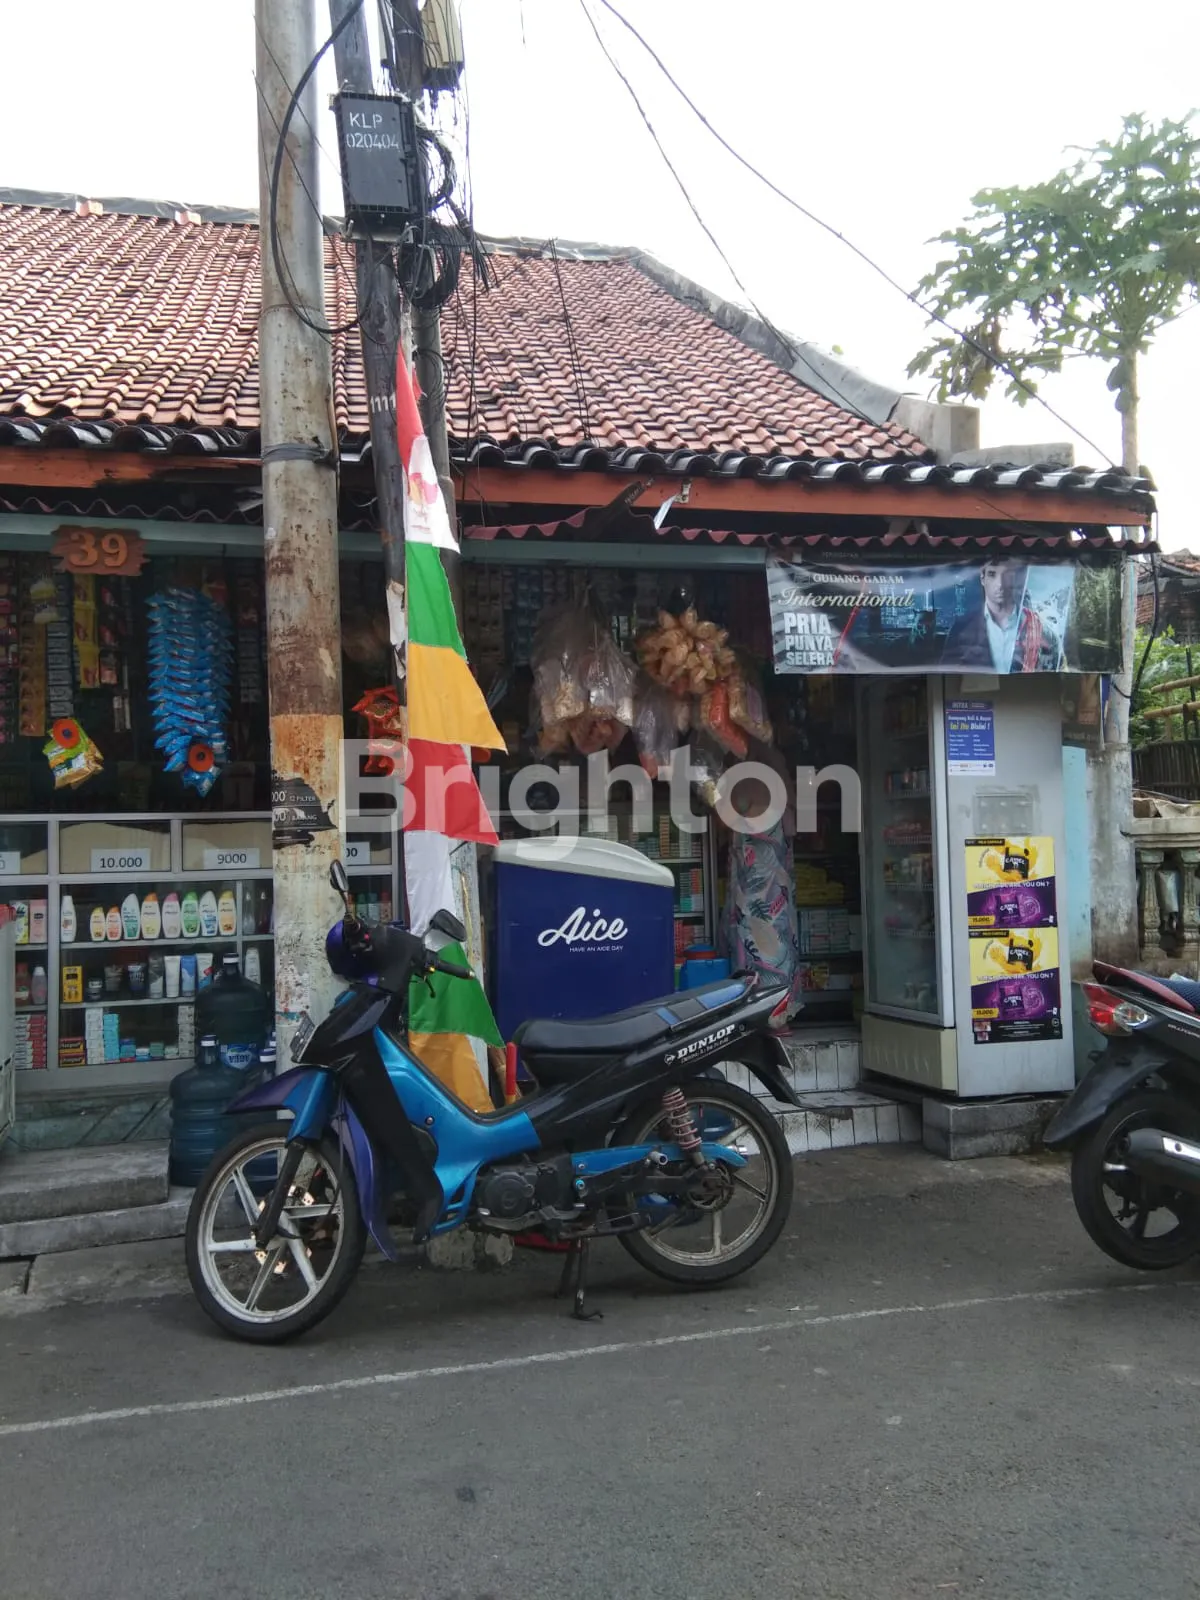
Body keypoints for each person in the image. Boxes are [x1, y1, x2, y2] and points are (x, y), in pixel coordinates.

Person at [943, 559, 1060, 672]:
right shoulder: (960, 631)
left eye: (1007, 574)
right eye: (992, 574)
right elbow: (949, 673)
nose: (1000, 584)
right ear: (982, 578)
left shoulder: (1042, 632)